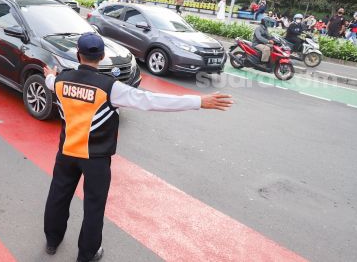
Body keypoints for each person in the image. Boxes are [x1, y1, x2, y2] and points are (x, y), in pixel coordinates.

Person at [42, 33, 232, 262]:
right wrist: (199, 101)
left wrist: (50, 76)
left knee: (57, 196)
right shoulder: (111, 88)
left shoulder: (62, 81)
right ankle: (87, 255)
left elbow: (50, 83)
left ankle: (52, 241)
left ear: (77, 55)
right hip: (96, 159)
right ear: (102, 57)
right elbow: (151, 101)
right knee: (94, 207)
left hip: (66, 153)